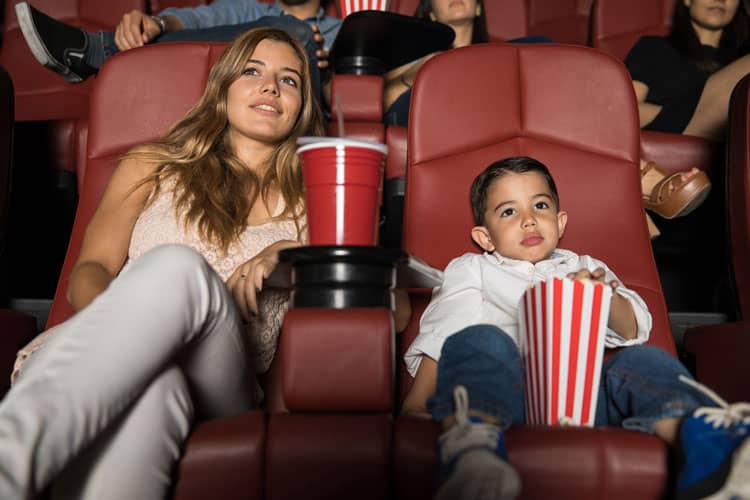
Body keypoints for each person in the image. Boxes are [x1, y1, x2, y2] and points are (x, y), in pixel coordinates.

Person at [0, 27, 324, 500]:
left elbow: (390, 311)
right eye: (252, 71)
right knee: (153, 391)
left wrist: (291, 258)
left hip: (221, 378)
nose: (271, 87)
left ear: (303, 106)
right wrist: (126, 337)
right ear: (223, 88)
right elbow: (90, 269)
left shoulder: (319, 199)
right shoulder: (151, 164)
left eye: (290, 80)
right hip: (104, 356)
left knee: (176, 267)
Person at [401, 156, 750, 500]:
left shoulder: (585, 265)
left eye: (540, 205)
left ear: (560, 221)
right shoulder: (473, 268)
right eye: (509, 212)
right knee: (482, 340)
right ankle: (475, 452)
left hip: (584, 402)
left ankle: (710, 455)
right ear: (485, 237)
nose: (528, 220)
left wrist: (602, 296)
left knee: (642, 361)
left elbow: (633, 328)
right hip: (505, 396)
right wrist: (416, 404)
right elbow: (447, 334)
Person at [14, 0, 341, 99]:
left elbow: (353, 99)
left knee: (294, 37)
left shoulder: (342, 31)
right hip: (222, 104)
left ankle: (99, 51)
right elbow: (199, 19)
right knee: (287, 33)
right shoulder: (247, 10)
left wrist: (317, 71)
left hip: (300, 117)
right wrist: (157, 25)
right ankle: (106, 48)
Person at [626, 0, 750, 140]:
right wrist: (693, 116)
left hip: (733, 142)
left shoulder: (739, 58)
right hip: (667, 134)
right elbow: (626, 110)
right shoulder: (653, 47)